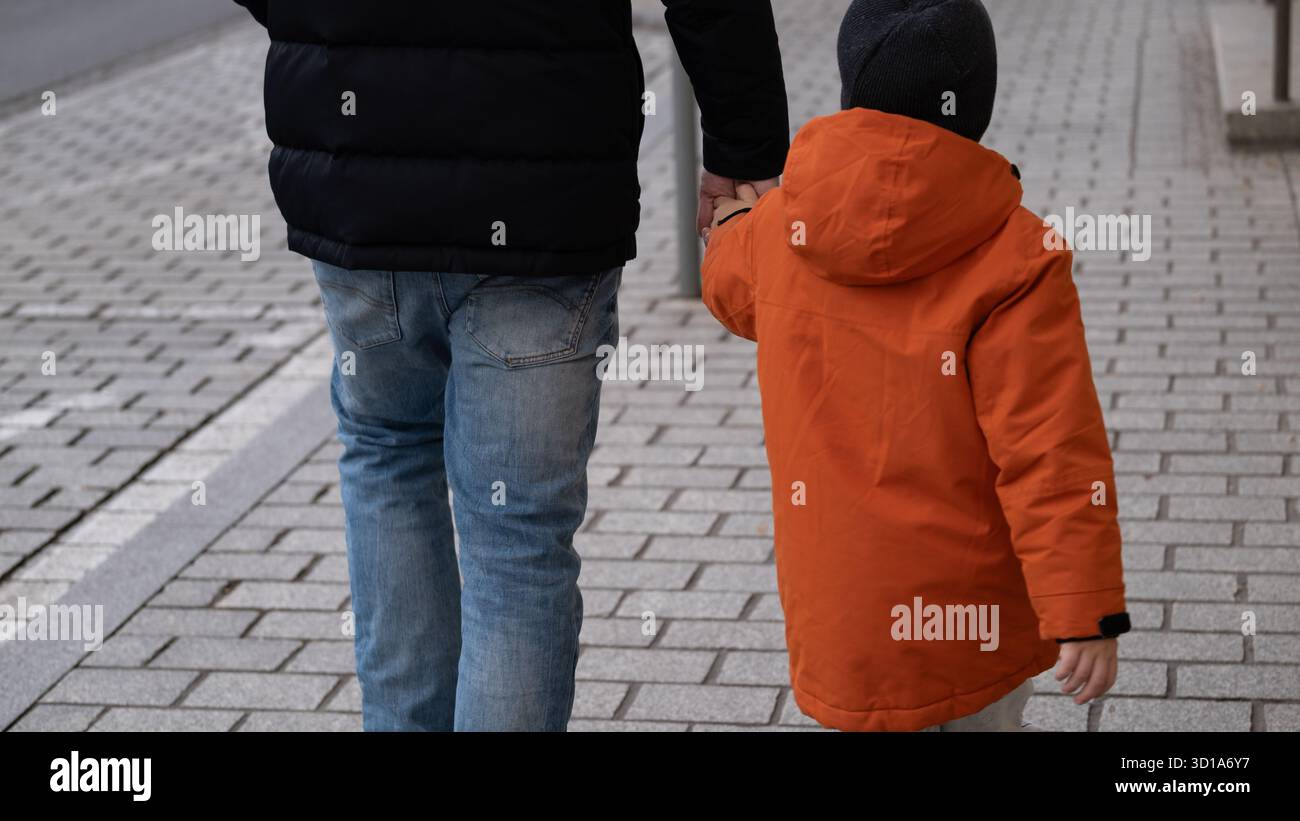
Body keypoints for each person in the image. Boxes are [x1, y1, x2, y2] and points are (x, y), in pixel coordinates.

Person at [231, 0, 790, 731]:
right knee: (515, 534)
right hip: (543, 183)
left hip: (360, 176)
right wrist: (744, 149)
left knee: (388, 460)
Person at [701, 0, 1129, 732]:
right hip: (971, 632)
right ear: (976, 111)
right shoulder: (1018, 259)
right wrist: (1084, 607)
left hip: (845, 626)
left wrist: (735, 223)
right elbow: (1051, 450)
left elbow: (727, 285)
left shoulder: (782, 232)